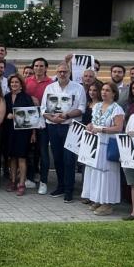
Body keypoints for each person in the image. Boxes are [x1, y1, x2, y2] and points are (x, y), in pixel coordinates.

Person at [41, 64, 86, 202]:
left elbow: (81, 108)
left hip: (71, 128)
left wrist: (67, 116)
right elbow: (43, 109)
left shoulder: (78, 88)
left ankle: (69, 190)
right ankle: (60, 186)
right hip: (53, 127)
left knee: (69, 160)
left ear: (69, 72)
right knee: (58, 158)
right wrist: (52, 118)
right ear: (56, 73)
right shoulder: (50, 88)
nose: (62, 74)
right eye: (60, 71)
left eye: (65, 71)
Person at [81, 84, 125, 216]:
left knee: (107, 174)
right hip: (95, 144)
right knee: (94, 172)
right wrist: (90, 125)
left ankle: (108, 203)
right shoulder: (97, 106)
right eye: (103, 90)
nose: (104, 92)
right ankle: (98, 198)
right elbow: (94, 122)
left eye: (108, 90)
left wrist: (101, 129)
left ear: (114, 93)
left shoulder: (117, 109)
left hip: (108, 145)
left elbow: (118, 128)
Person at [25, 57, 54, 193]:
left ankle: (43, 181)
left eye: (41, 66)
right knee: (30, 151)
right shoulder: (27, 81)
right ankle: (30, 178)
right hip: (30, 120)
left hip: (44, 121)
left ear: (46, 68)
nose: (38, 68)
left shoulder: (51, 83)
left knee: (43, 152)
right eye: (36, 65)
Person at [4, 74, 35, 195]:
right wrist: (7, 115)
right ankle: (12, 181)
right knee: (12, 157)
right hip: (9, 131)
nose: (14, 85)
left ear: (21, 84)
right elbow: (2, 112)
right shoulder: (6, 97)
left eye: (16, 82)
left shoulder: (27, 98)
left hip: (23, 132)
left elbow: (32, 117)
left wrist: (33, 133)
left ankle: (21, 183)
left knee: (22, 158)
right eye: (12, 83)